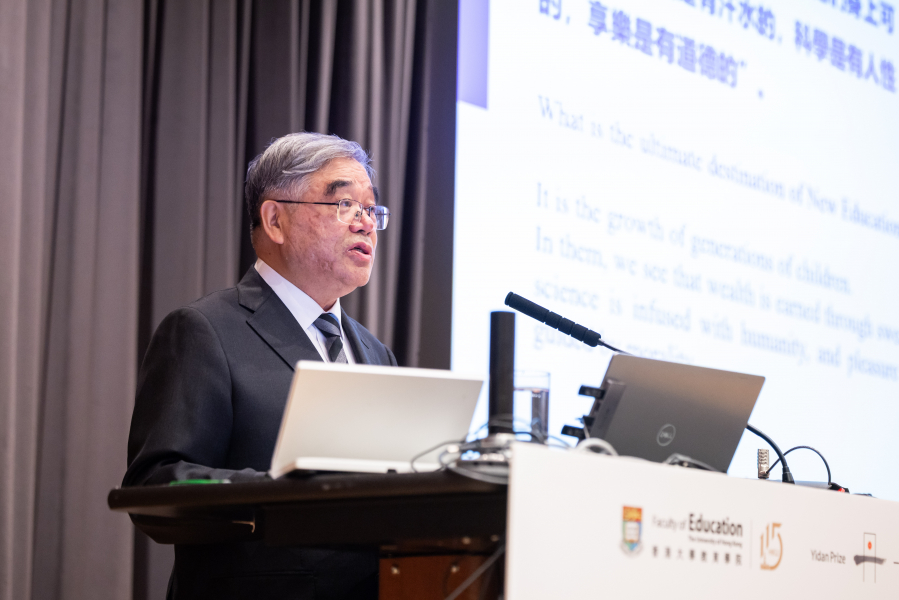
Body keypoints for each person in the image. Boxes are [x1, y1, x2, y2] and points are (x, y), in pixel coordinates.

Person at [124, 132, 396, 599]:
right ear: (275, 220)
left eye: (371, 210)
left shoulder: (376, 353)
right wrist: (281, 492)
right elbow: (156, 486)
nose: (365, 223)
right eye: (345, 204)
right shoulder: (204, 331)